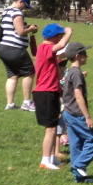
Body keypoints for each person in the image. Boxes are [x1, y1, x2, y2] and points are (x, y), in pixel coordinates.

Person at [33, 23, 73, 170]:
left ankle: (51, 159)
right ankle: (45, 161)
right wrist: (69, 33)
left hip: (51, 92)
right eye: (60, 35)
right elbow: (61, 45)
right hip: (45, 93)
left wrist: (61, 92)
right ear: (54, 36)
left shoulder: (49, 52)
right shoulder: (44, 48)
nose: (62, 37)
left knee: (53, 127)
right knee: (50, 129)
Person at [61, 41, 93, 184]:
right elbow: (78, 97)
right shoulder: (76, 73)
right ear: (78, 56)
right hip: (77, 114)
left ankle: (79, 176)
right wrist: (87, 117)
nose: (87, 56)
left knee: (76, 144)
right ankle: (78, 166)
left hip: (68, 112)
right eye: (84, 53)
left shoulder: (70, 71)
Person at [0, 0, 39, 111]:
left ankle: (10, 104)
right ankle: (27, 102)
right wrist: (31, 29)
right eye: (25, 5)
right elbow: (20, 32)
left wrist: (27, 28)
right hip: (14, 48)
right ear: (20, 2)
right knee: (29, 72)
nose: (24, 8)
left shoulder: (6, 11)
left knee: (12, 75)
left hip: (2, 48)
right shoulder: (16, 13)